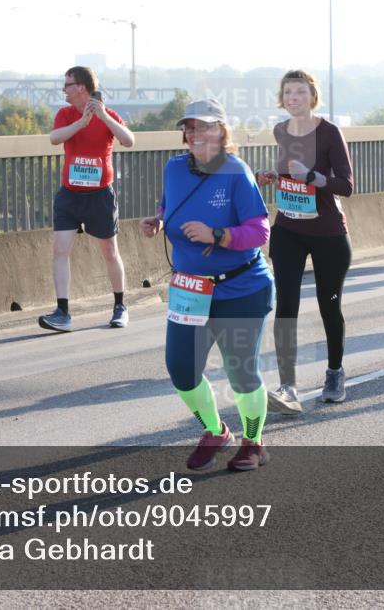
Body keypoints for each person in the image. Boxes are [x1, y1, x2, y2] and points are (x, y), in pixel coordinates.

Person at [139, 99, 274, 472]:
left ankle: (253, 441)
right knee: (181, 369)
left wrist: (217, 235)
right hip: (190, 289)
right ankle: (214, 431)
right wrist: (159, 220)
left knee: (241, 371)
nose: (193, 133)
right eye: (189, 127)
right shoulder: (174, 168)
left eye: (202, 126)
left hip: (241, 287)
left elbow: (260, 230)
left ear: (221, 130)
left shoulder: (235, 171)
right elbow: (172, 206)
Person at [254, 70, 354, 415]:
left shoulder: (329, 132)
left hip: (327, 232)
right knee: (286, 307)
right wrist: (270, 177)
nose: (293, 98)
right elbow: (288, 173)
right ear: (281, 99)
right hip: (289, 229)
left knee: (329, 305)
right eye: (288, 93)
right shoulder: (280, 130)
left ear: (312, 96)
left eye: (300, 92)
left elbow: (346, 185)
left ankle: (335, 374)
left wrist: (311, 177)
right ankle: (288, 386)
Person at [39, 66, 135, 332]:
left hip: (99, 195)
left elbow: (128, 141)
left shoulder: (108, 116)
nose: (64, 90)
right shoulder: (65, 114)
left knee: (109, 251)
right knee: (60, 249)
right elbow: (54, 138)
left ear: (81, 87)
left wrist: (103, 117)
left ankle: (120, 306)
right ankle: (62, 311)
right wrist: (80, 124)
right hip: (70, 195)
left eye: (67, 84)